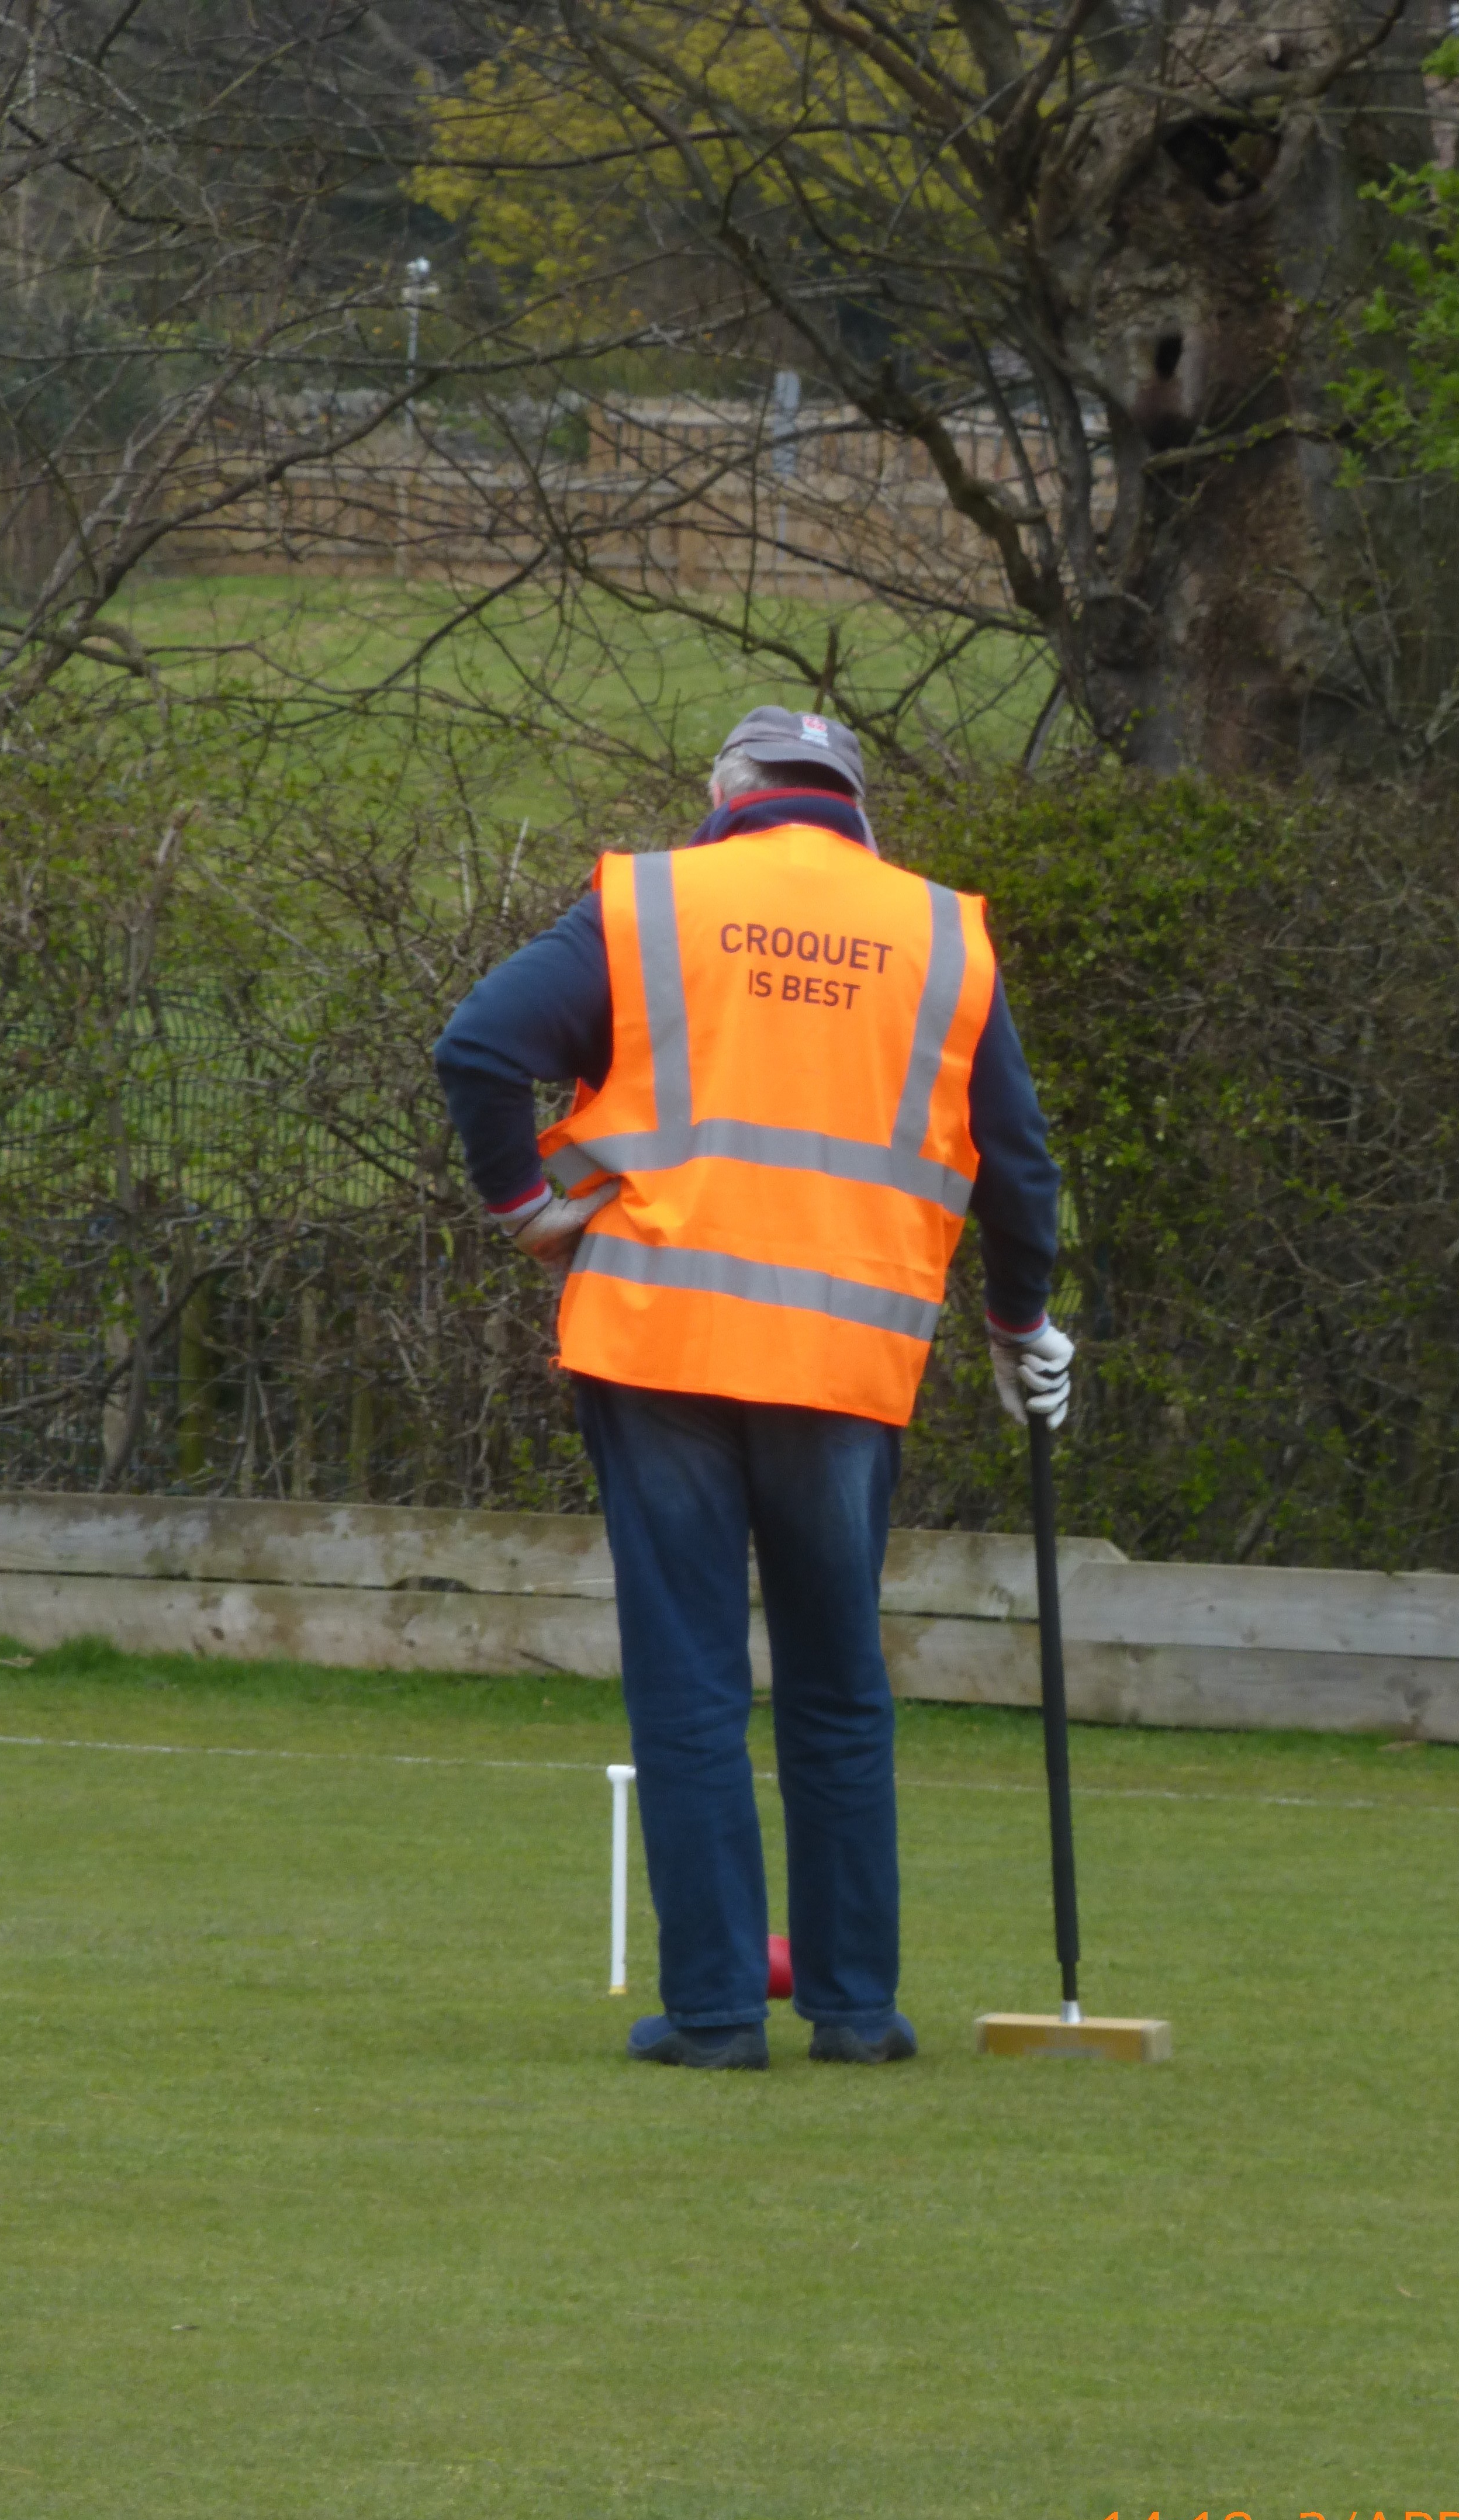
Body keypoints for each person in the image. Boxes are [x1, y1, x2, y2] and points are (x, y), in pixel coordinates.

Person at [434, 707, 1071, 2070]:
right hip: (845, 1357)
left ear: (725, 793)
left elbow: (477, 1048)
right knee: (839, 1687)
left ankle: (718, 2014)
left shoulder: (650, 901)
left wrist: (524, 1208)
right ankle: (855, 2010)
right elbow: (1016, 1164)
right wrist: (1022, 1325)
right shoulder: (942, 933)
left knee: (691, 1683)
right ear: (855, 808)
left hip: (658, 1342)